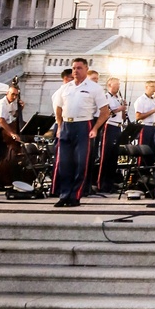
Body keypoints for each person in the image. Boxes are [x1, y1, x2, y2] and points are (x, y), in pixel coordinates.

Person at [54, 59, 110, 207]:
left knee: (80, 163)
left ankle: (75, 195)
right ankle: (64, 194)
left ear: (86, 69)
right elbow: (58, 107)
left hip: (84, 124)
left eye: (79, 68)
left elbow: (105, 112)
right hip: (67, 124)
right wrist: (59, 125)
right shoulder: (66, 88)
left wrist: (95, 128)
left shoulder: (94, 88)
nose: (75, 71)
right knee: (64, 163)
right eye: (73, 68)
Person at [96, 77, 128, 194]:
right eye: (116, 84)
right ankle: (101, 184)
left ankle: (110, 183)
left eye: (119, 84)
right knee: (106, 156)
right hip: (109, 126)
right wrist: (119, 108)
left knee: (114, 157)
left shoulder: (118, 98)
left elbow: (123, 117)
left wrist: (123, 109)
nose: (118, 86)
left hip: (118, 126)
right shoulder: (105, 97)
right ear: (110, 84)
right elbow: (106, 113)